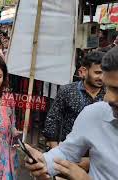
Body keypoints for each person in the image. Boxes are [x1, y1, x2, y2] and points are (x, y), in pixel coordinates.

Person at [25, 47, 118, 180]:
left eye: (117, 89)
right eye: (108, 87)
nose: (108, 98)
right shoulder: (94, 112)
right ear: (83, 72)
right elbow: (66, 150)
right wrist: (44, 161)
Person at [43, 51, 105, 149]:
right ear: (83, 71)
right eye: (97, 73)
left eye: (105, 73)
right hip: (70, 151)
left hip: (99, 153)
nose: (102, 77)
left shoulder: (110, 95)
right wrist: (55, 150)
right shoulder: (67, 91)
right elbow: (53, 119)